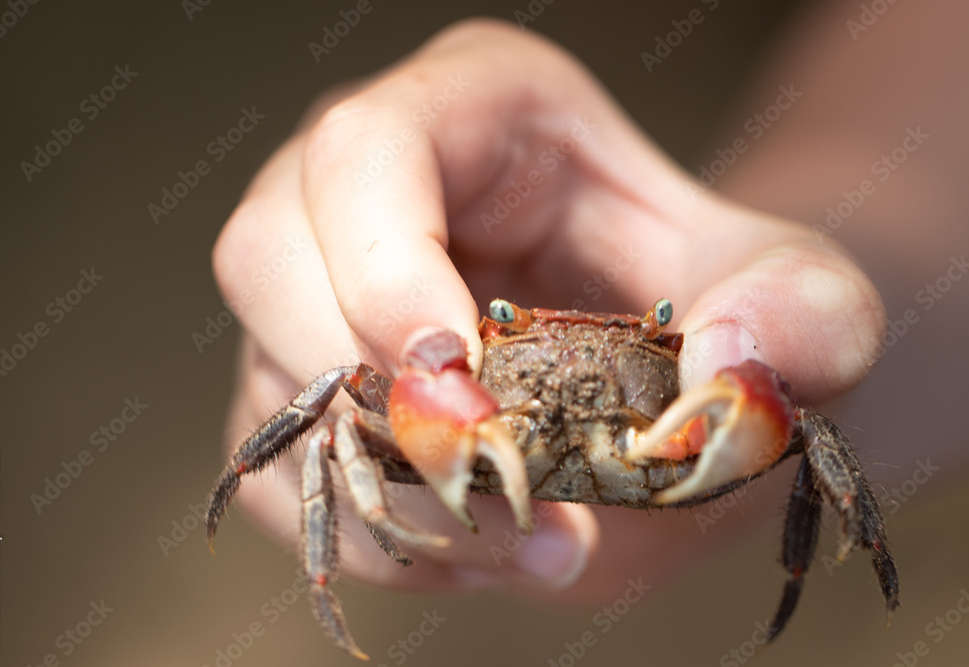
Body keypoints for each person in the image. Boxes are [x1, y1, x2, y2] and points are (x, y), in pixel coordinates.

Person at [208, 9, 957, 610]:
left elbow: (804, 417)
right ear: (493, 333)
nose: (579, 369)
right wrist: (346, 497)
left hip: (660, 453)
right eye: (512, 326)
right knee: (338, 420)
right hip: (485, 438)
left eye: (645, 340)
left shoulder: (695, 420)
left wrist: (814, 309)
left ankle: (826, 566)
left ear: (664, 339)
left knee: (807, 429)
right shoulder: (462, 386)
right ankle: (327, 573)